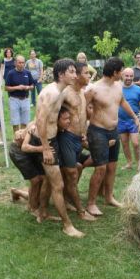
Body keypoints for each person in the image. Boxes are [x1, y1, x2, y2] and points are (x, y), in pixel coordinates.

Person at [35, 59, 85, 237]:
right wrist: (46, 148)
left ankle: (43, 212)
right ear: (61, 74)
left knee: (49, 181)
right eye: (71, 71)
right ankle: (67, 225)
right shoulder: (53, 93)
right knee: (58, 184)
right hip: (45, 141)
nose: (75, 74)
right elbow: (40, 120)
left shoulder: (61, 91)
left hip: (51, 139)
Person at [85, 57, 140, 216]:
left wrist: (134, 117)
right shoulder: (94, 89)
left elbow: (122, 102)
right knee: (100, 167)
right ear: (115, 72)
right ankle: (91, 203)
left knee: (112, 166)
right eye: (121, 71)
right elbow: (82, 109)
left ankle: (109, 197)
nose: (123, 74)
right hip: (98, 131)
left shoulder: (118, 87)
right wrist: (83, 130)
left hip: (113, 130)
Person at [56, 62, 96, 221]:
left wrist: (84, 133)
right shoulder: (66, 92)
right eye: (86, 73)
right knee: (72, 173)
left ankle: (66, 199)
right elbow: (49, 109)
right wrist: (30, 126)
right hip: (66, 137)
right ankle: (80, 211)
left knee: (79, 168)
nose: (89, 76)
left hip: (79, 139)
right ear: (77, 75)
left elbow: (82, 115)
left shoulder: (82, 92)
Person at [9, 122, 45, 218]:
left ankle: (16, 192)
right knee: (35, 180)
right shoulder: (36, 124)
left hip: (32, 151)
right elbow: (24, 146)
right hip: (18, 151)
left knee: (41, 179)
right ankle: (33, 208)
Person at [118, 68, 140, 170]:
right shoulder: (117, 88)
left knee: (136, 143)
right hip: (120, 120)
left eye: (131, 76)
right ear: (122, 75)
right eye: (127, 76)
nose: (129, 78)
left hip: (134, 120)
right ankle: (129, 163)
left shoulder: (139, 90)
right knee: (124, 143)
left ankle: (139, 163)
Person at [6, 55, 34, 132]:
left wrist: (27, 87)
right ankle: (16, 138)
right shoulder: (11, 73)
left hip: (25, 99)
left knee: (25, 121)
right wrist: (17, 87)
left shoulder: (27, 73)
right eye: (19, 62)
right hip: (14, 99)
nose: (21, 64)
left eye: (23, 63)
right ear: (15, 63)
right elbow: (6, 88)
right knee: (15, 122)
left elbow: (32, 85)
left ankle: (22, 139)